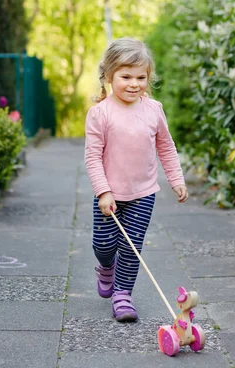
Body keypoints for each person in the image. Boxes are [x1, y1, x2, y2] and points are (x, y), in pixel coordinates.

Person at [84, 37, 188, 322]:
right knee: (104, 247)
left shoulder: (153, 110)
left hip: (143, 192)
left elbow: (166, 146)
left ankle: (122, 296)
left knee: (132, 247)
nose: (134, 83)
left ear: (148, 77)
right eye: (125, 76)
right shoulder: (100, 114)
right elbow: (93, 157)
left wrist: (176, 179)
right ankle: (106, 268)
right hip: (110, 194)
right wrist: (103, 191)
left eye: (141, 77)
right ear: (109, 76)